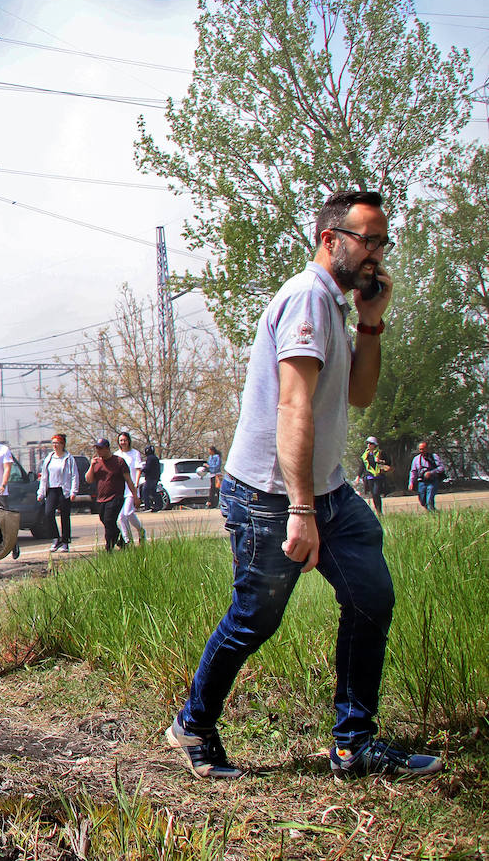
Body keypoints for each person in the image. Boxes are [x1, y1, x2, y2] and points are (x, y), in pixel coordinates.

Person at [169, 190, 444, 780]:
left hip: (328, 490)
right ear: (330, 240)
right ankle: (193, 722)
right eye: (367, 240)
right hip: (273, 495)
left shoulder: (338, 306)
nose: (376, 255)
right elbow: (294, 408)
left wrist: (372, 322)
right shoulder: (307, 298)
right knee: (255, 618)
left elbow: (359, 395)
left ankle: (354, 745)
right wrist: (300, 509)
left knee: (371, 598)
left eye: (381, 243)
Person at [85, 438, 137, 550]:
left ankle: (109, 547)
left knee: (109, 520)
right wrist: (91, 465)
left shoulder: (119, 461)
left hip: (116, 497)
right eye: (96, 448)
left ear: (107, 448)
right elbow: (89, 480)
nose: (98, 451)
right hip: (101, 498)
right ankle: (120, 539)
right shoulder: (97, 463)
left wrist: (135, 497)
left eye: (100, 448)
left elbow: (128, 480)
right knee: (105, 520)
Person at [36, 434, 78, 552]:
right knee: (48, 513)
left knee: (65, 516)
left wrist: (73, 491)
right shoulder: (49, 458)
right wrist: (41, 492)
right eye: (53, 443)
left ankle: (65, 541)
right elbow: (44, 476)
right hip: (52, 490)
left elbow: (74, 475)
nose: (55, 445)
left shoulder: (68, 458)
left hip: (64, 490)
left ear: (63, 444)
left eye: (57, 443)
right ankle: (56, 538)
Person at [116, 431, 146, 544]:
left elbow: (138, 469)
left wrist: (136, 484)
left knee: (128, 513)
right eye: (121, 441)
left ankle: (141, 530)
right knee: (121, 516)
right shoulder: (117, 454)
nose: (123, 442)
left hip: (131, 488)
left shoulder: (135, 453)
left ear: (129, 441)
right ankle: (127, 540)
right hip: (120, 488)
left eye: (125, 440)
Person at [408, 441, 446, 512]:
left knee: (429, 501)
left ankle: (432, 513)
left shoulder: (434, 457)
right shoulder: (416, 459)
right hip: (421, 482)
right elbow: (413, 471)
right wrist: (411, 482)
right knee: (422, 501)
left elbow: (441, 468)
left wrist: (431, 473)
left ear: (427, 449)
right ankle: (433, 511)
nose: (422, 451)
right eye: (420, 449)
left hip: (432, 481)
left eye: (423, 449)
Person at [359, 436, 390, 516]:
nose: (369, 445)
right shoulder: (365, 455)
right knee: (373, 494)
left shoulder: (380, 453)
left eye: (371, 443)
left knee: (376, 493)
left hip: (379, 476)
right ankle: (378, 511)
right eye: (368, 443)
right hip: (369, 477)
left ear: (375, 444)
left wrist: (380, 461)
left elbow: (388, 462)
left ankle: (379, 510)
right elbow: (362, 466)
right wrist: (358, 476)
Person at [141, 445, 163, 512]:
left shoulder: (150, 458)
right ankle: (158, 505)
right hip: (155, 478)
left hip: (151, 478)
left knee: (145, 492)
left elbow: (148, 468)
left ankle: (147, 506)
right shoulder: (155, 458)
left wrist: (142, 469)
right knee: (153, 492)